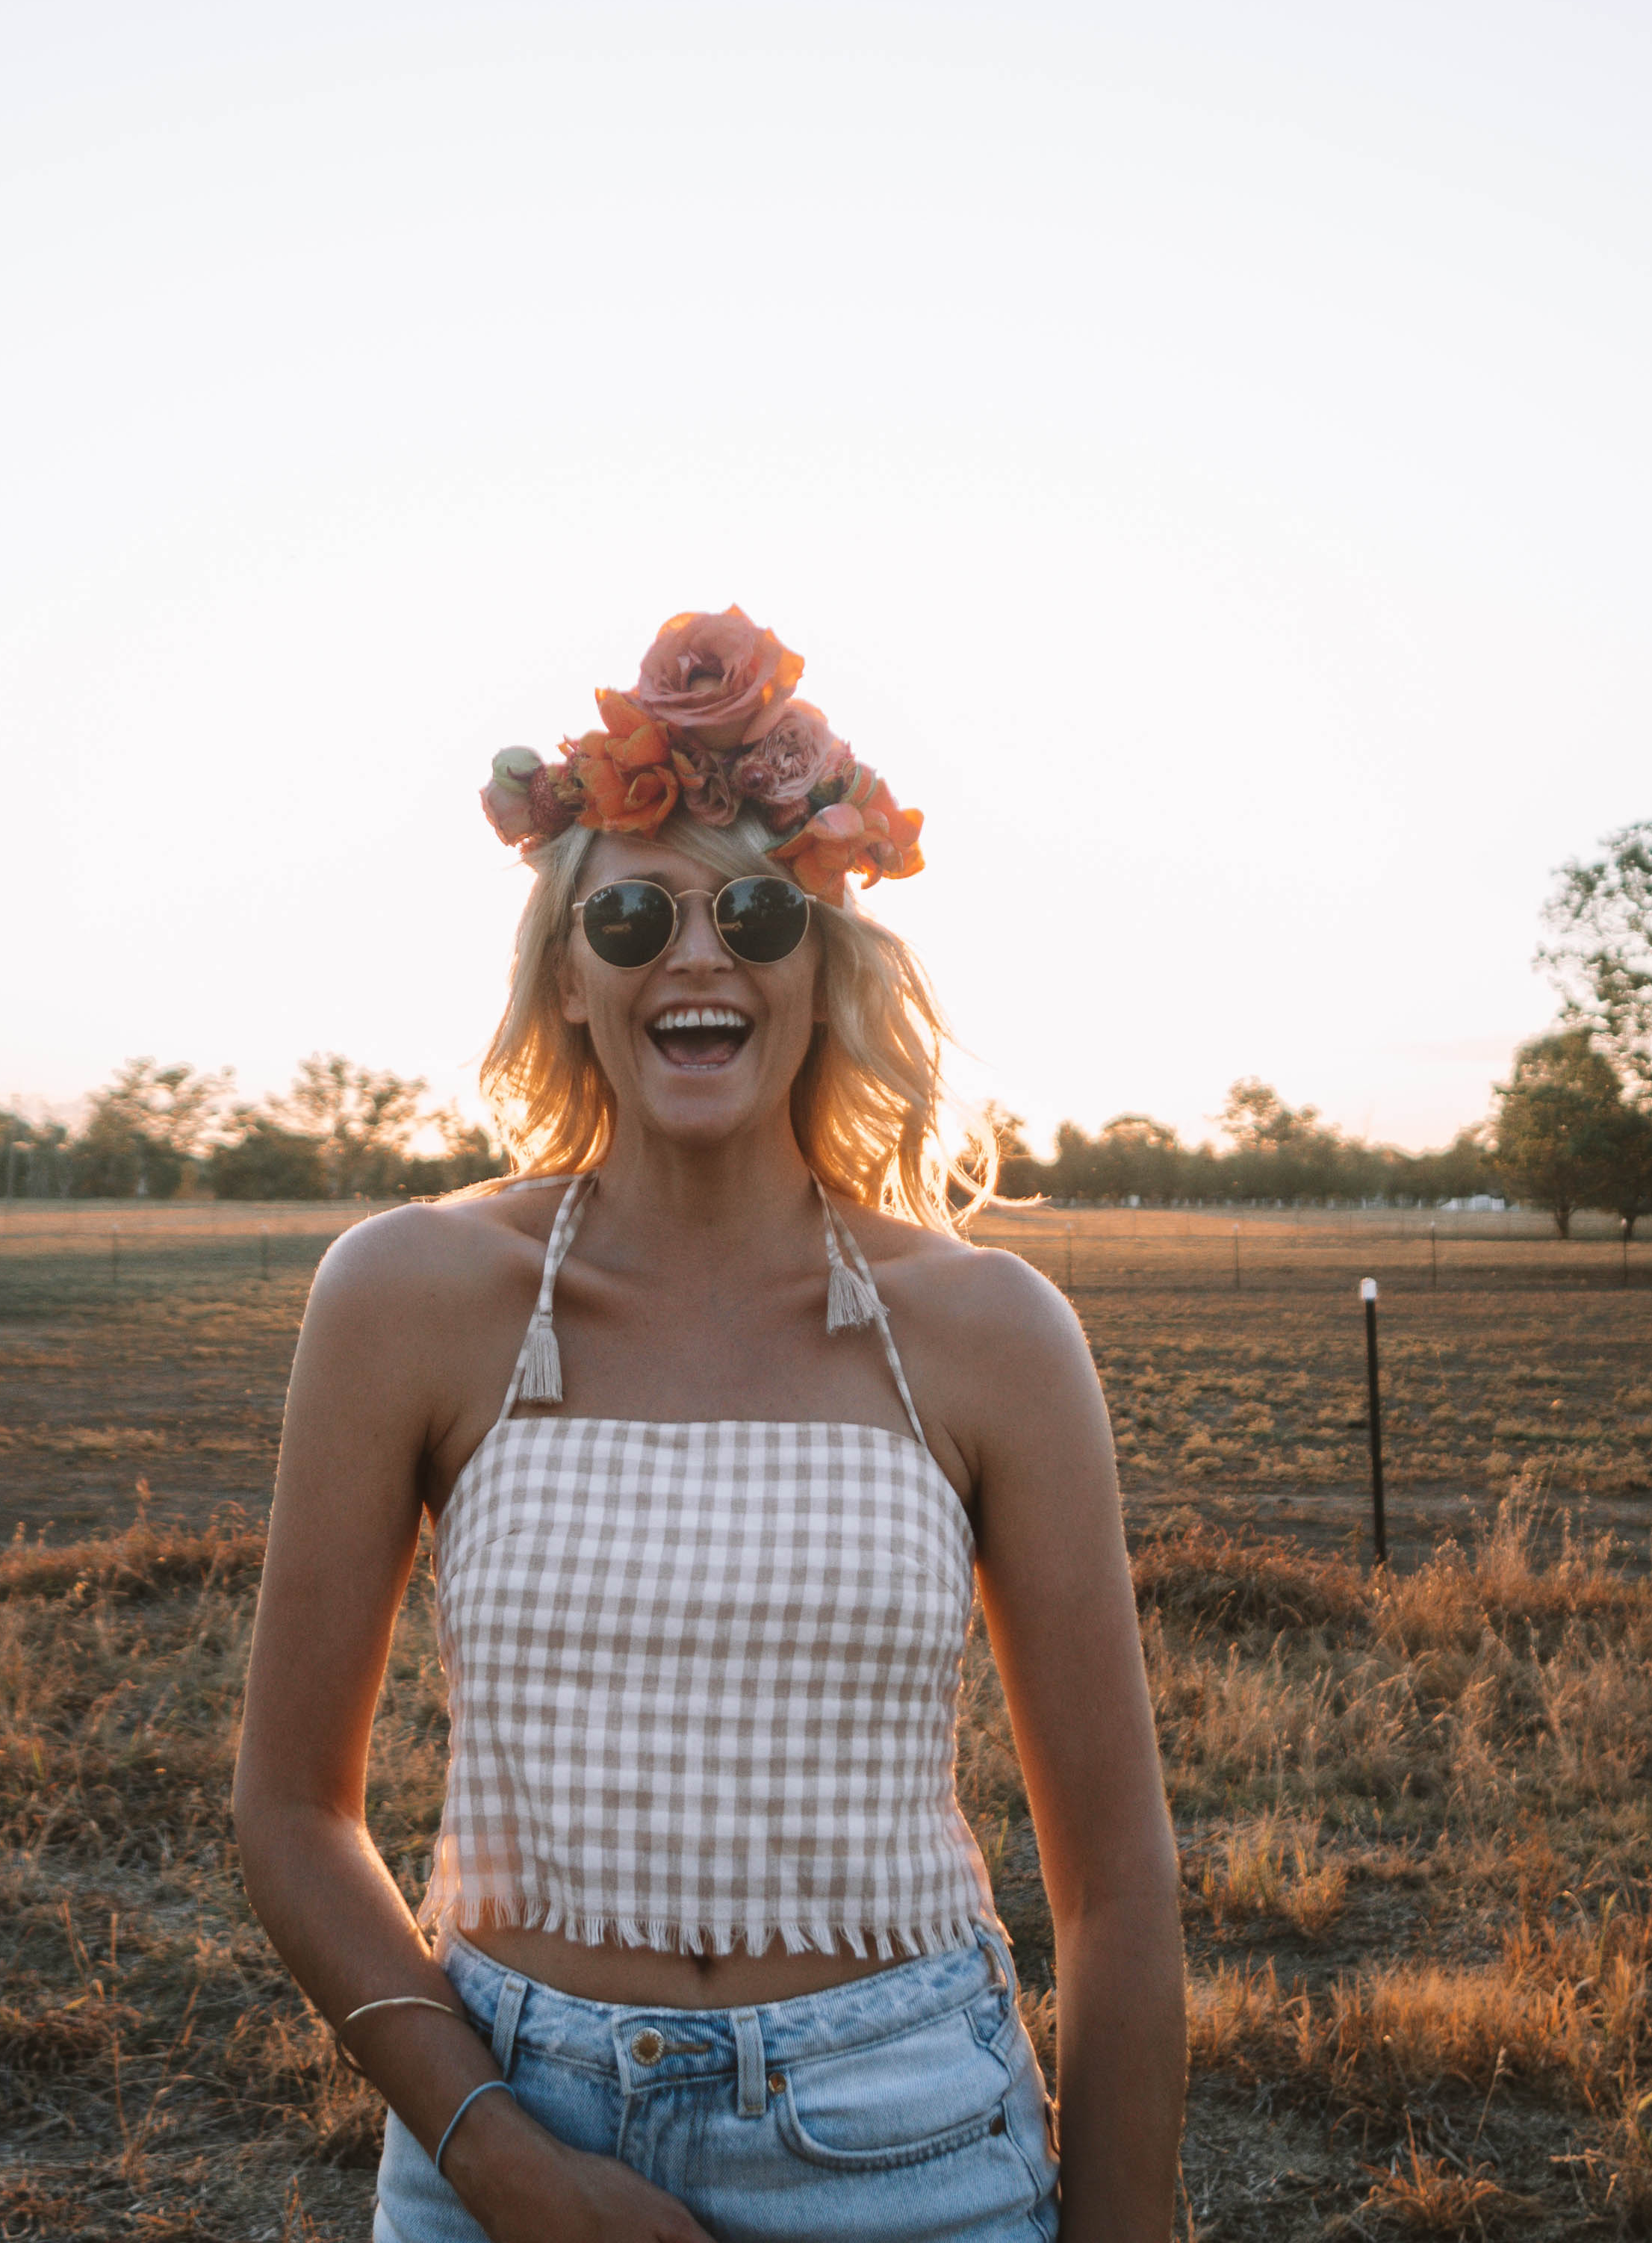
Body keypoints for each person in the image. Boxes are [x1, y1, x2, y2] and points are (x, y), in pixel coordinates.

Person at [234, 608, 1183, 2243]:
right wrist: (508, 2169)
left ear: (823, 965)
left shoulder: (991, 1333)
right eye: (631, 917)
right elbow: (292, 1812)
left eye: (753, 908)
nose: (696, 956)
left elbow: (1111, 1884)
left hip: (904, 2143)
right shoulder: (406, 1293)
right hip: (504, 2123)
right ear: (566, 975)